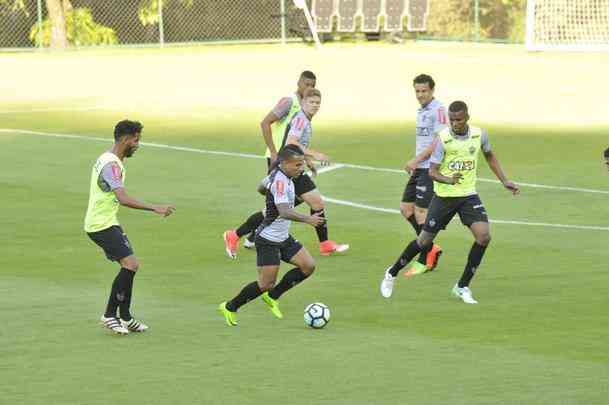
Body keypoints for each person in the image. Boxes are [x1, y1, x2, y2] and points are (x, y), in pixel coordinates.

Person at [380, 101, 519, 304]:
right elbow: (432, 172)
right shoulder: (443, 139)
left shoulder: (479, 135)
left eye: (459, 119)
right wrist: (449, 180)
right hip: (444, 198)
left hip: (468, 195)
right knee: (424, 241)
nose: (455, 123)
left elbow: (489, 156)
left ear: (467, 117)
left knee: (484, 236)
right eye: (452, 120)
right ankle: (391, 273)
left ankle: (462, 286)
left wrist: (505, 180)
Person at [223, 87, 348, 258]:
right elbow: (291, 142)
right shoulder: (301, 120)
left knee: (271, 211)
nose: (315, 106)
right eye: (311, 102)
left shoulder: (304, 119)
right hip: (290, 169)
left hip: (291, 167)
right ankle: (325, 244)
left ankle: (235, 234)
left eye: (318, 103)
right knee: (317, 203)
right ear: (303, 102)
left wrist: (308, 161)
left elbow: (294, 145)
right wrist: (314, 154)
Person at [84, 120, 175, 335]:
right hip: (100, 224)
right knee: (131, 265)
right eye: (136, 139)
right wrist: (155, 207)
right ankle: (109, 315)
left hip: (107, 221)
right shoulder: (111, 165)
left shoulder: (107, 159)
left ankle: (124, 317)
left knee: (132, 265)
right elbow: (122, 198)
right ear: (125, 139)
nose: (137, 144)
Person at [219, 145, 324, 326]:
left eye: (302, 164)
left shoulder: (279, 175)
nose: (301, 168)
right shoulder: (280, 182)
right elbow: (284, 211)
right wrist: (308, 219)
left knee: (308, 266)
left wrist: (269, 199)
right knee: (266, 283)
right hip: (267, 239)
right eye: (297, 165)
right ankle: (230, 307)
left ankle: (272, 297)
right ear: (284, 163)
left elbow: (261, 187)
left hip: (282, 237)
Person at [401, 74, 447, 271]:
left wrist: (417, 159)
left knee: (421, 214)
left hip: (429, 168)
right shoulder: (422, 110)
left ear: (432, 90)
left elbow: (439, 141)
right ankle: (430, 247)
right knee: (406, 209)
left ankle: (422, 260)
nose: (420, 95)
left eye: (424, 91)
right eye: (417, 91)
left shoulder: (439, 110)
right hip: (419, 167)